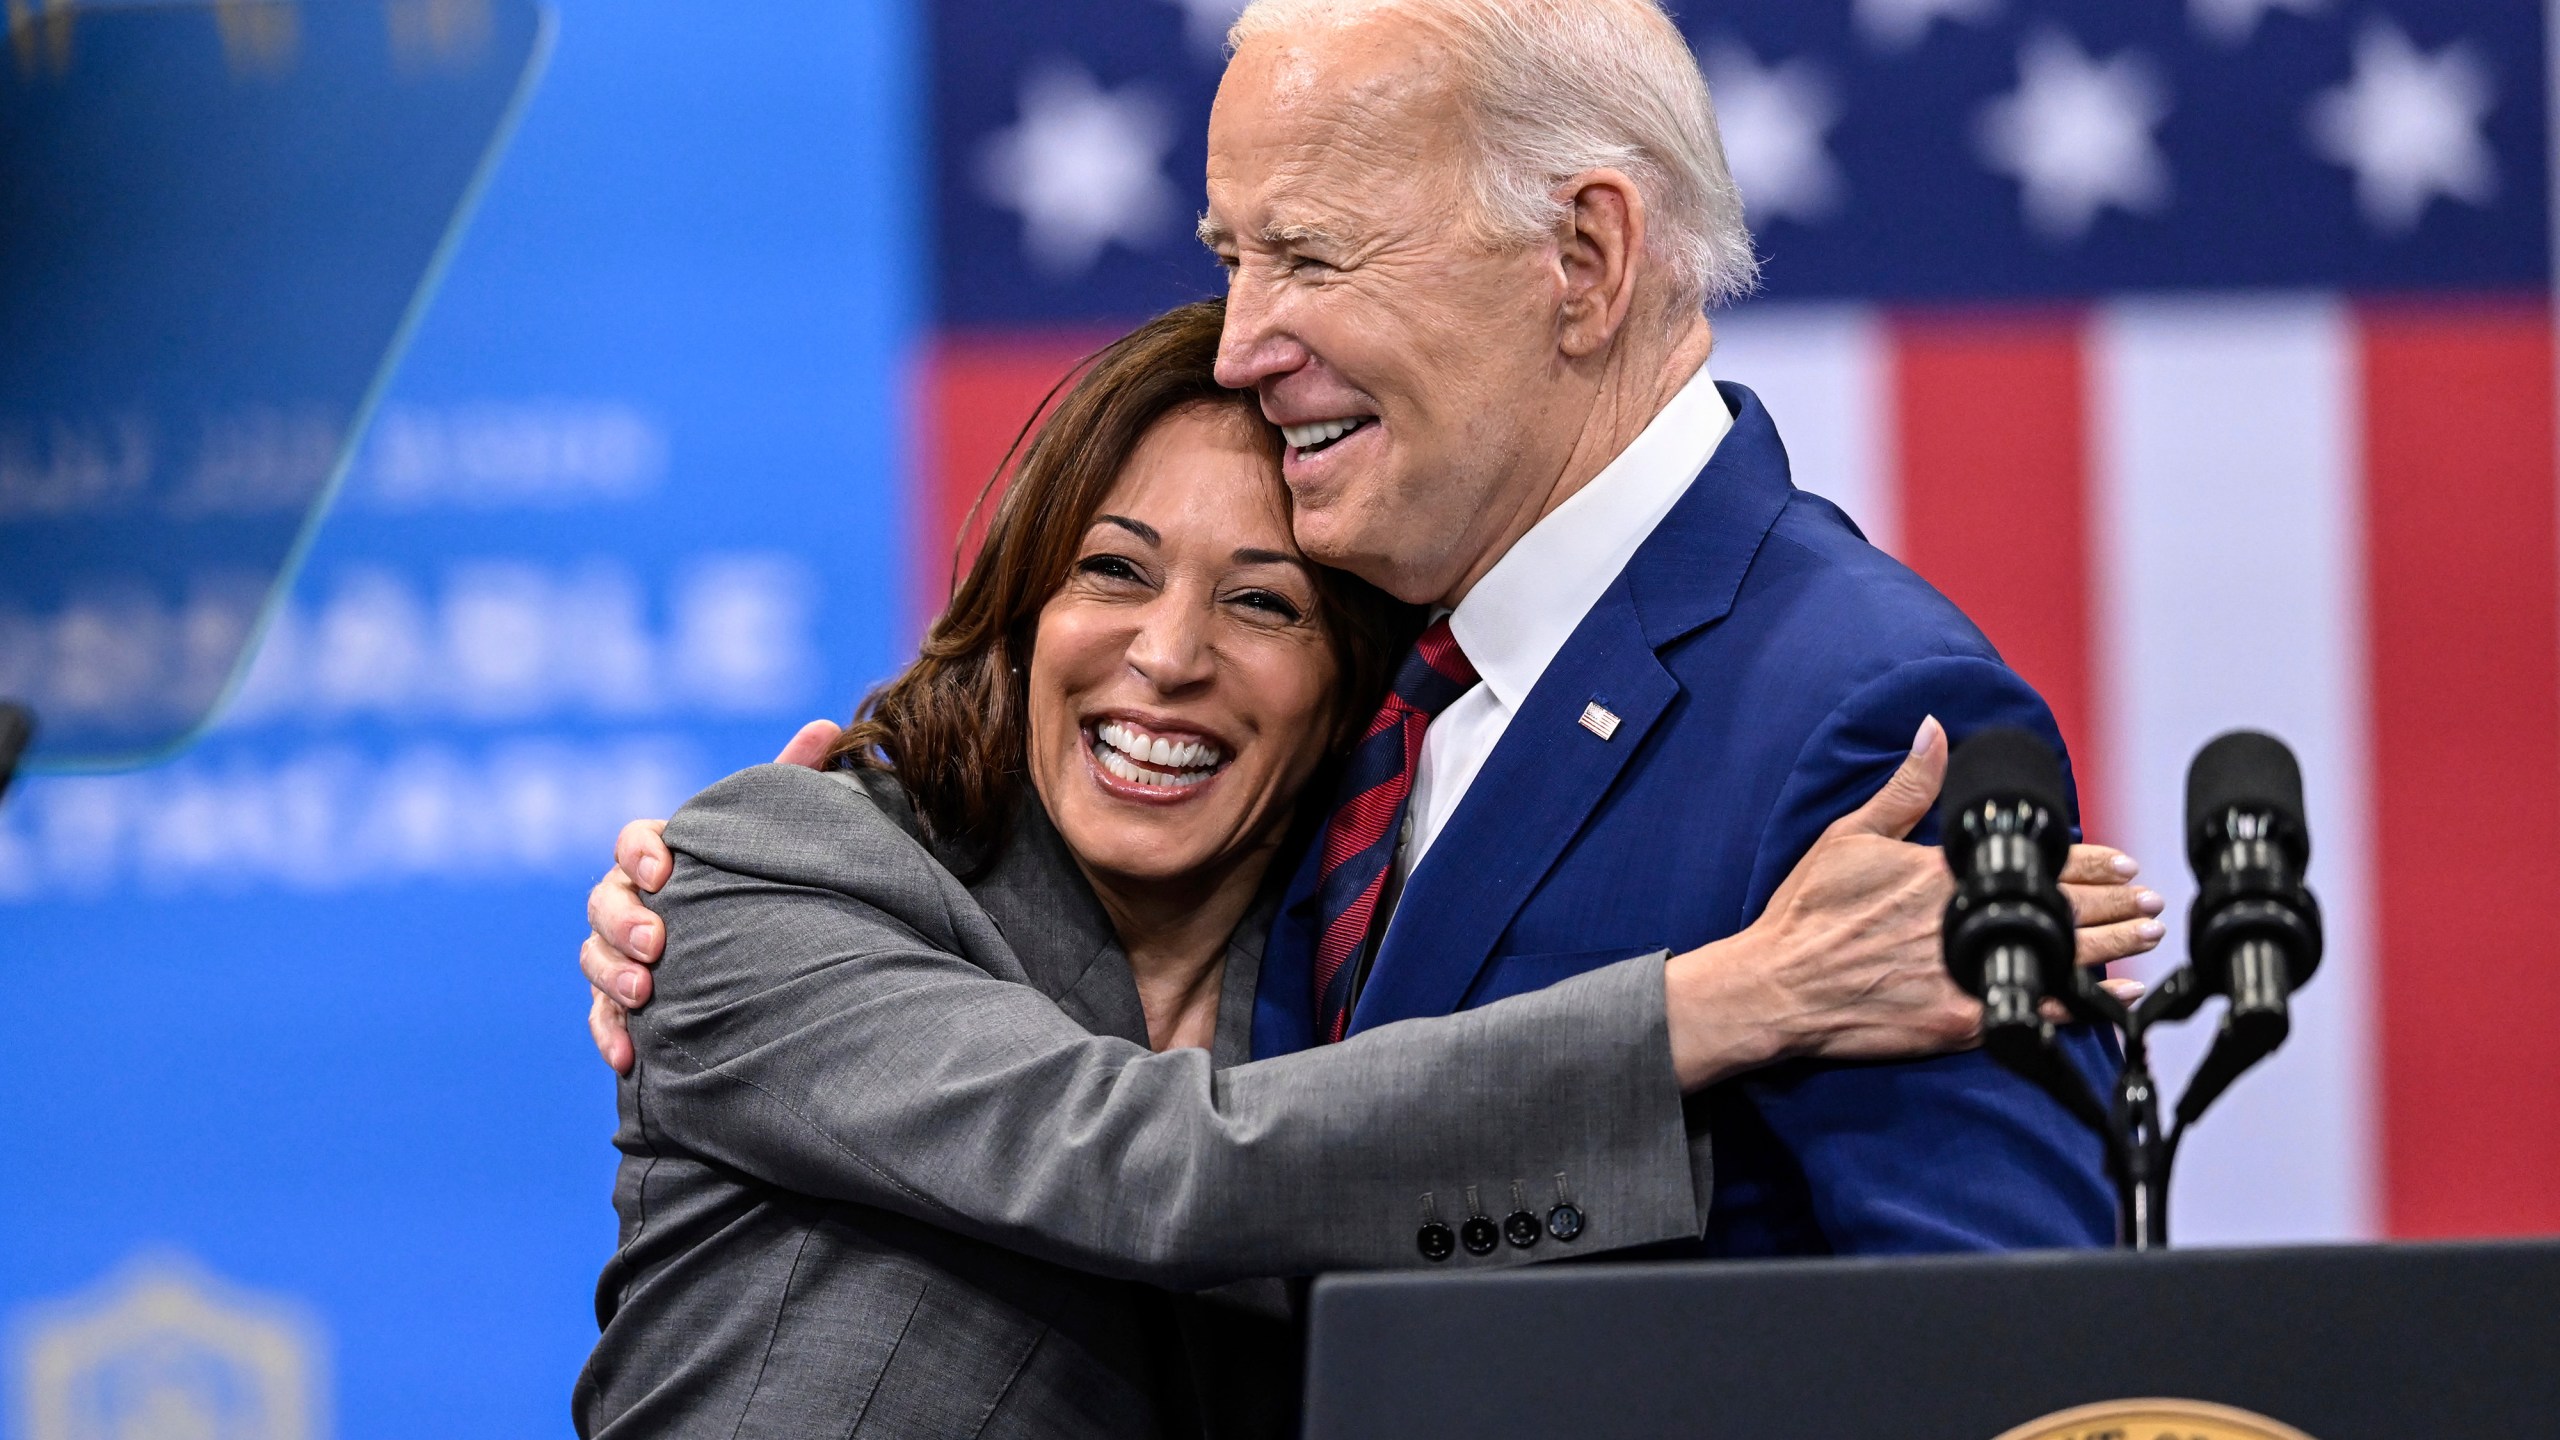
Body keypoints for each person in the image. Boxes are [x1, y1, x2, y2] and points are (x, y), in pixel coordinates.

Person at [591, 0, 2164, 1254]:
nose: (1246, 344)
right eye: (1231, 258)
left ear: (1585, 259)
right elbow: (1174, 1134)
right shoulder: (1367, 696)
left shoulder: (1867, 717)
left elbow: (1995, 1366)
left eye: (1311, 256)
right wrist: (784, 899)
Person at [572, 303, 2151, 1437]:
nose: (1168, 657)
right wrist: (1743, 995)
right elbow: (1161, 1166)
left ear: (1352, 690)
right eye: (1111, 573)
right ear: (1017, 611)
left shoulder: (1338, 973)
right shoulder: (770, 876)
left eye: (1263, 605)